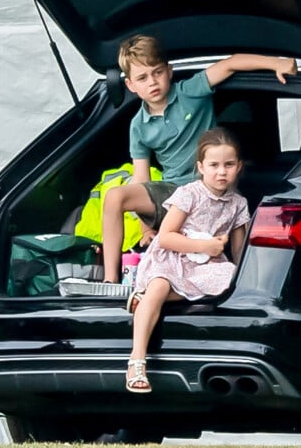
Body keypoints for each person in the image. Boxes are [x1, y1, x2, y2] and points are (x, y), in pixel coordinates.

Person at [101, 34, 297, 284]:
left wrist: (276, 63)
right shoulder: (138, 125)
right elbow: (142, 179)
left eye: (157, 72)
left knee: (235, 228)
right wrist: (146, 229)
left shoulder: (190, 92)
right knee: (115, 196)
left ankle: (243, 284)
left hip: (209, 188)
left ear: (169, 71)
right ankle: (110, 280)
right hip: (172, 194)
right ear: (130, 85)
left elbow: (230, 64)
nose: (152, 82)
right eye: (143, 78)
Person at [124, 128, 250, 393]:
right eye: (214, 165)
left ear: (238, 167)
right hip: (173, 257)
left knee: (230, 281)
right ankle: (137, 361)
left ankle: (144, 299)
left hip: (206, 264)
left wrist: (242, 274)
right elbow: (167, 237)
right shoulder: (189, 193)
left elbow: (239, 252)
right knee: (159, 285)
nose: (221, 172)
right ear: (201, 167)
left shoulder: (238, 203)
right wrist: (204, 245)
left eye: (228, 165)